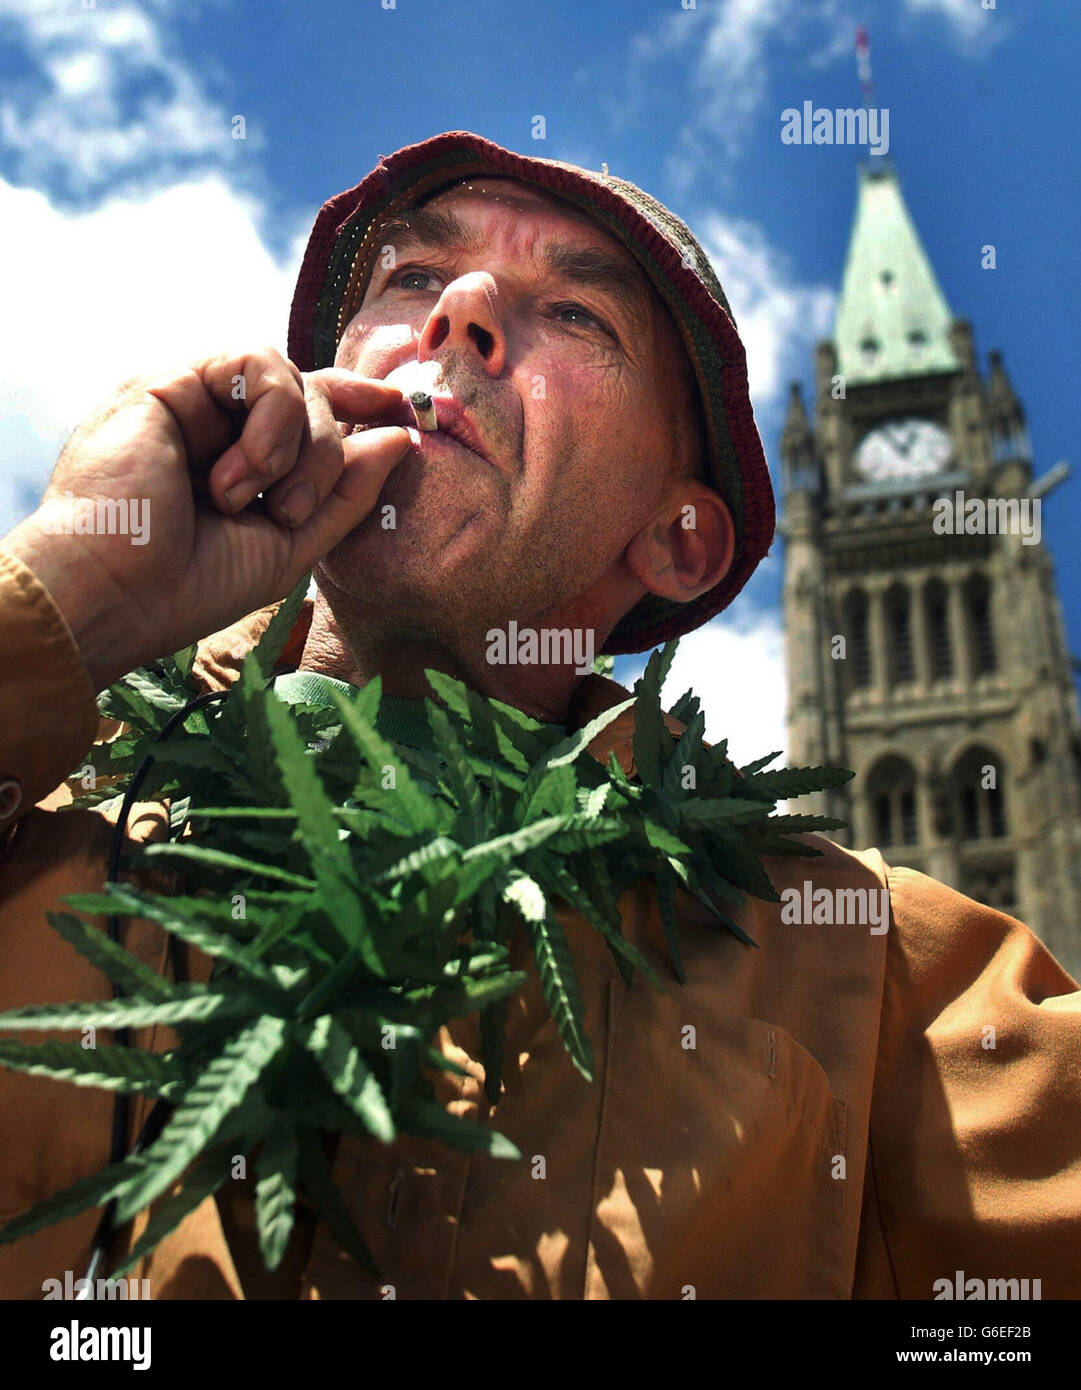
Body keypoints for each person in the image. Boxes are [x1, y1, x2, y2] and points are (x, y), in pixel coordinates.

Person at [0, 131, 1077, 1301]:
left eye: (575, 313)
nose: (457, 305)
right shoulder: (47, 797)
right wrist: (70, 591)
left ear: (678, 539)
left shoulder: (881, 984)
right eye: (413, 277)